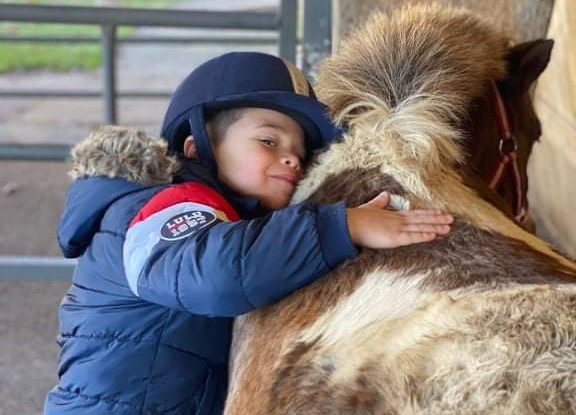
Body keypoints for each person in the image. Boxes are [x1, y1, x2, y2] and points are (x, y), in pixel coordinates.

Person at [44, 52, 453, 415]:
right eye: (268, 140)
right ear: (196, 147)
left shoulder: (227, 220)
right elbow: (217, 276)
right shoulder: (160, 205)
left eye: (300, 150)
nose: (291, 157)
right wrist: (342, 225)